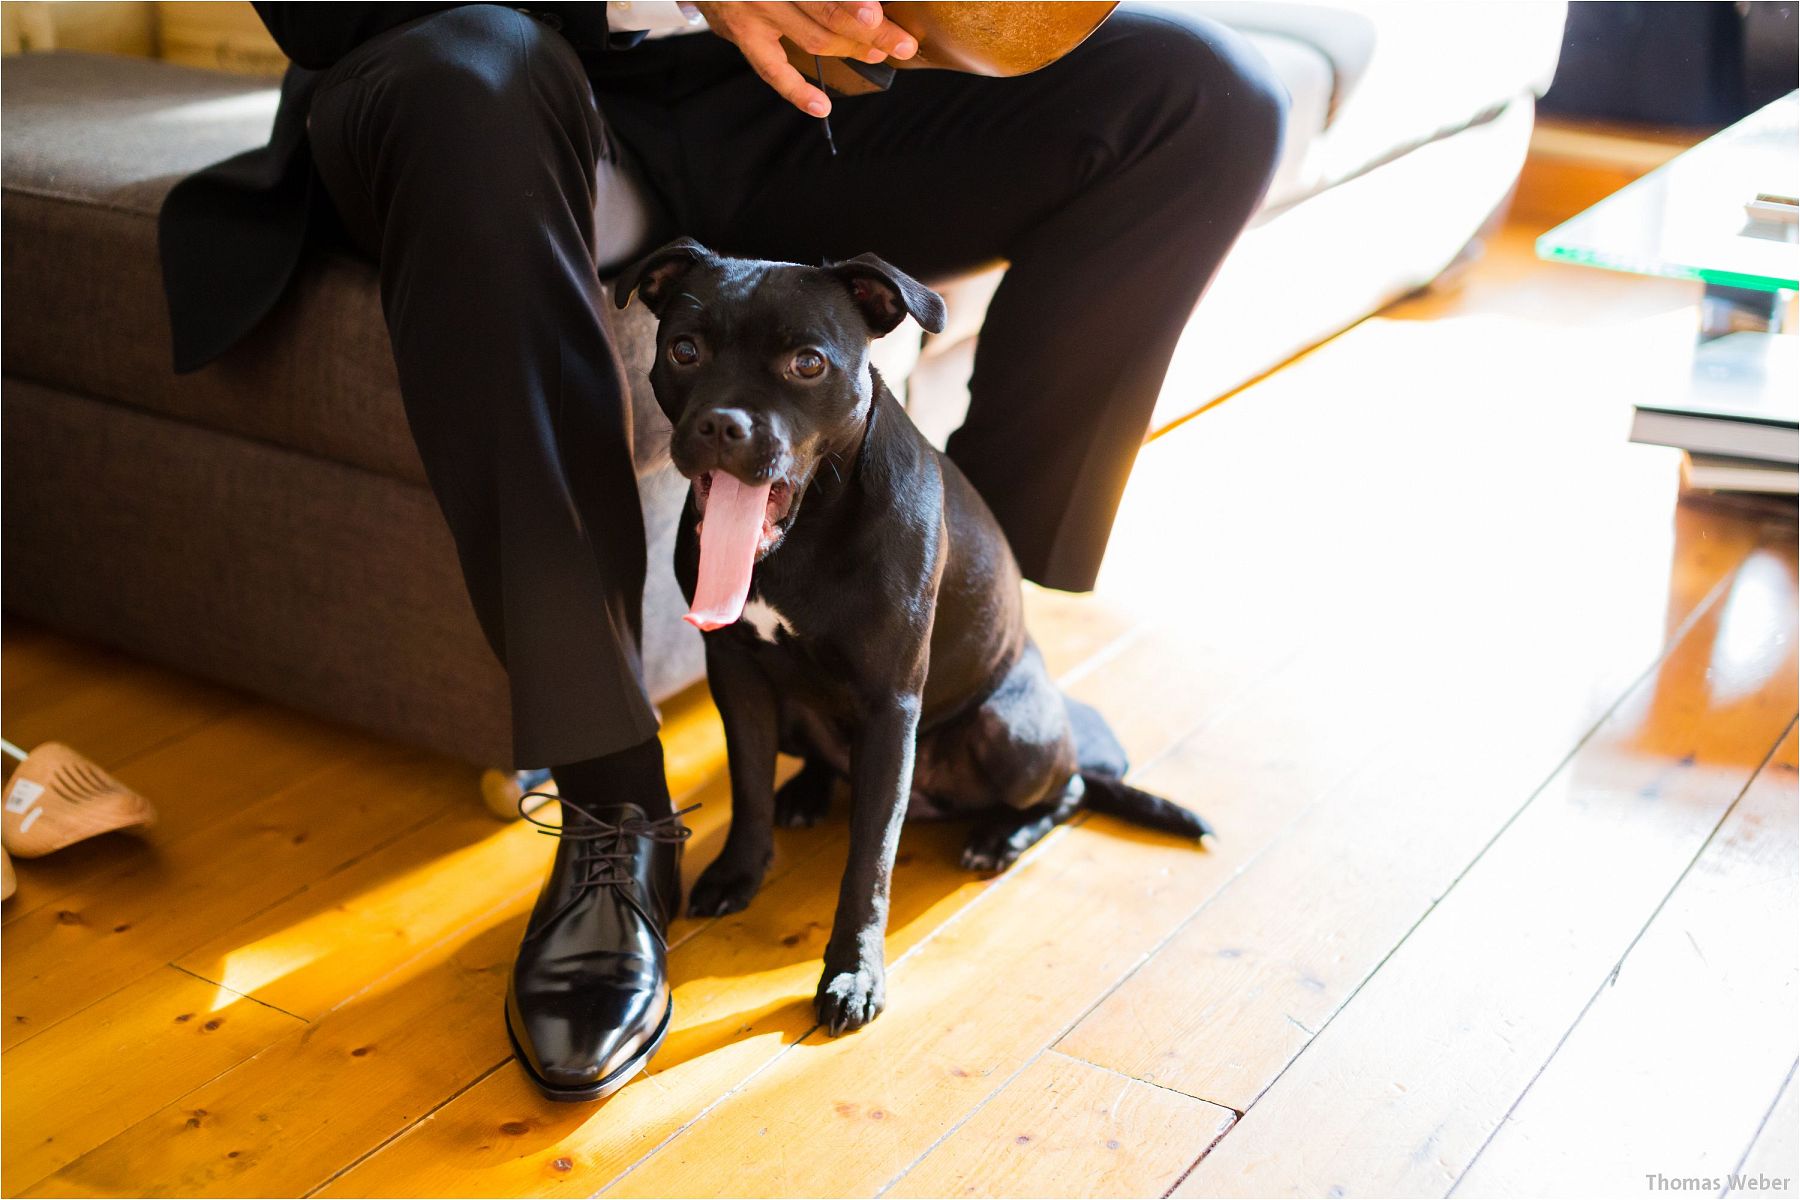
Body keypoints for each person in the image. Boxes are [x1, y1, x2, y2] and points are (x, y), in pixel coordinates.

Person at [159, 0, 1286, 1101]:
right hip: (496, 73)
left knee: (1203, 95)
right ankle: (614, 810)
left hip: (786, 99)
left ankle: (963, 646)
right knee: (471, 74)